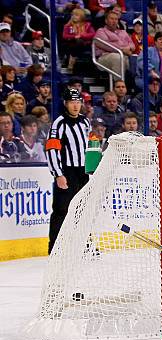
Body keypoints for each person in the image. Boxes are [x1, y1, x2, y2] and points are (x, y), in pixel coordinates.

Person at [45, 88, 91, 254]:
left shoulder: (85, 122)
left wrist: (91, 170)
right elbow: (52, 149)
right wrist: (58, 174)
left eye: (78, 102)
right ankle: (55, 248)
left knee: (84, 210)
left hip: (83, 172)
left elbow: (89, 147)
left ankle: (86, 244)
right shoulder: (59, 123)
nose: (76, 105)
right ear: (65, 103)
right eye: (72, 102)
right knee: (61, 210)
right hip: (67, 171)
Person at [93, 10, 134, 80]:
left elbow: (132, 45)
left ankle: (135, 86)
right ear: (106, 21)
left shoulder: (123, 32)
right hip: (105, 57)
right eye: (111, 19)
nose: (114, 21)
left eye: (116, 19)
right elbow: (107, 46)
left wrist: (128, 48)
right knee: (118, 58)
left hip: (124, 56)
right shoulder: (101, 31)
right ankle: (119, 84)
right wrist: (122, 49)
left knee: (136, 60)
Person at [62, 8, 96, 73]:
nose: (74, 16)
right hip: (71, 43)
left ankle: (72, 59)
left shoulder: (87, 25)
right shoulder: (68, 26)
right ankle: (73, 59)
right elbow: (65, 36)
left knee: (80, 41)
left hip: (84, 44)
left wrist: (82, 35)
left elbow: (93, 34)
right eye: (73, 15)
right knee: (76, 42)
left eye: (76, 15)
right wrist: (74, 37)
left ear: (82, 16)